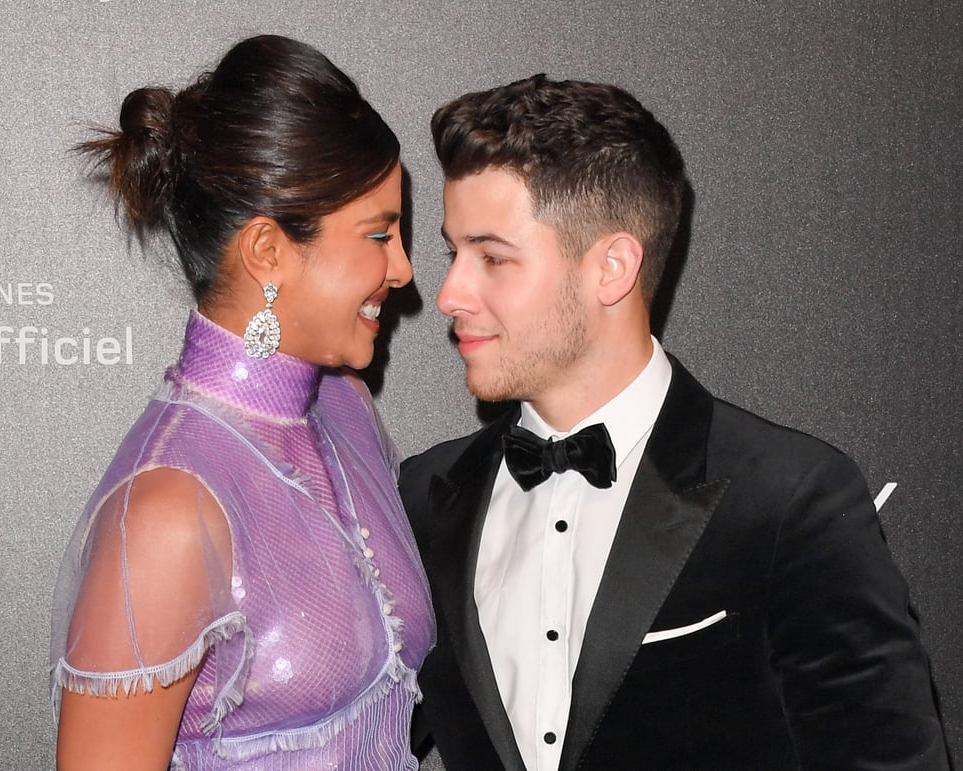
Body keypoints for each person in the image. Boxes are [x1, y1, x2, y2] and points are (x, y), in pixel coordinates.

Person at [399, 74, 950, 770]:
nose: (450, 293)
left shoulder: (788, 502)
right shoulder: (425, 495)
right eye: (455, 254)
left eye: (493, 258)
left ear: (612, 267)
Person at [50, 35, 435, 770]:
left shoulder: (347, 409)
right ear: (266, 251)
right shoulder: (167, 510)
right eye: (378, 234)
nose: (403, 268)